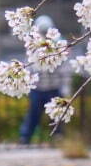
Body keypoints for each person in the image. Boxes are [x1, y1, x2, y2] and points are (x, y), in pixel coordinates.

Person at [18, 15, 65, 145]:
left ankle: (58, 136)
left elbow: (62, 64)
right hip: (38, 88)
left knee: (57, 114)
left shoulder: (58, 43)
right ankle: (25, 136)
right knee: (33, 114)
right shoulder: (33, 44)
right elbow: (30, 65)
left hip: (53, 87)